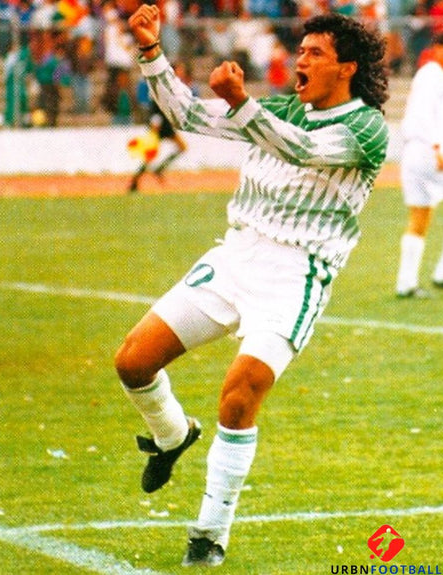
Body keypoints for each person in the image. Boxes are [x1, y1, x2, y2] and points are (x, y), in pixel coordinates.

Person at [115, 4, 388, 567]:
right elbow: (187, 115)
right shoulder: (281, 107)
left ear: (347, 68)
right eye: (301, 50)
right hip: (236, 255)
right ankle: (172, 436)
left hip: (296, 274)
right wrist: (151, 51)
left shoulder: (367, 128)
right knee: (132, 362)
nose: (300, 60)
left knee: (240, 394)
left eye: (315, 53)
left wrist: (243, 105)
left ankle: (209, 535)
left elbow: (302, 149)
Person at [395, 34, 443, 298]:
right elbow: (425, 115)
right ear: (437, 49)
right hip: (428, 150)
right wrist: (437, 147)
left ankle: (406, 282)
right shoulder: (433, 74)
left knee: (419, 216)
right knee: (419, 215)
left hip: (417, 151)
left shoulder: (428, 74)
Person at [128, 61, 196, 192]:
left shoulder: (174, 85)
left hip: (166, 123)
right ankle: (137, 180)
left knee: (181, 147)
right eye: (179, 70)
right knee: (151, 154)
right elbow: (156, 103)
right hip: (160, 124)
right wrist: (156, 121)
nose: (181, 73)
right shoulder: (165, 85)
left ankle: (154, 171)